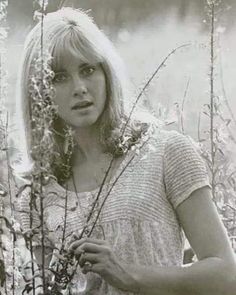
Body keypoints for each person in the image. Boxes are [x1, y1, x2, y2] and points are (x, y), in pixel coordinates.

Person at [15, 7, 236, 295]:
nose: (80, 87)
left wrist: (129, 276)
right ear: (39, 92)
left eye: (88, 69)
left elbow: (226, 275)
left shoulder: (165, 153)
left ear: (106, 73)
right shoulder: (38, 195)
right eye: (59, 77)